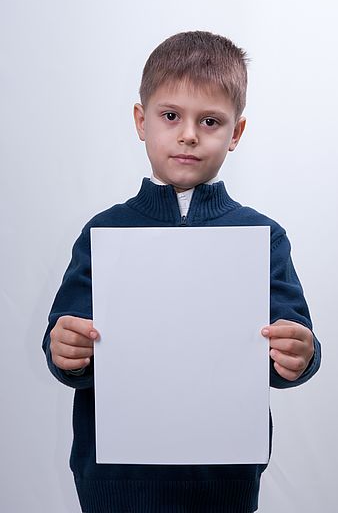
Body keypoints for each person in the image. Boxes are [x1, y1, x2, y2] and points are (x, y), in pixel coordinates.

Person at [42, 30, 321, 513]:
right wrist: (65, 349)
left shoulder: (263, 237)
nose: (189, 134)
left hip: (222, 484)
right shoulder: (103, 233)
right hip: (115, 484)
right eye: (171, 116)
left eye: (210, 120)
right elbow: (66, 346)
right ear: (141, 120)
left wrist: (301, 354)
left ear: (236, 133)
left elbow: (290, 351)